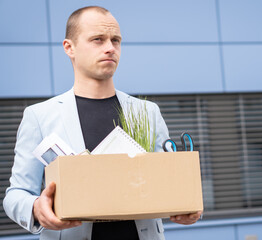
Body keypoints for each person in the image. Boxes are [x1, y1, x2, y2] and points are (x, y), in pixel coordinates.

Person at [3, 6, 202, 240]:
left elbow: (166, 184)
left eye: (115, 40)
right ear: (69, 47)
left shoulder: (148, 112)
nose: (110, 48)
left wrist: (186, 203)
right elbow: (16, 194)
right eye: (98, 40)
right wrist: (37, 207)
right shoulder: (39, 116)